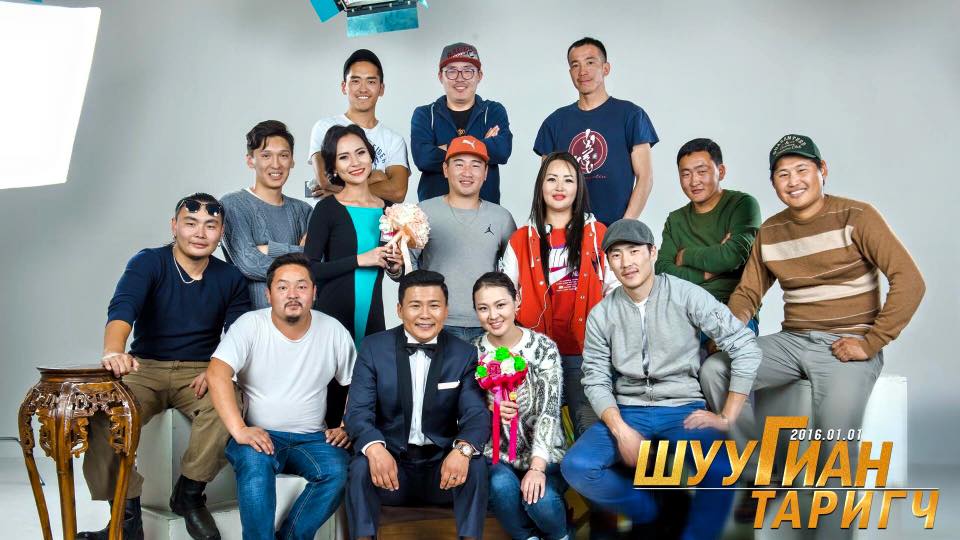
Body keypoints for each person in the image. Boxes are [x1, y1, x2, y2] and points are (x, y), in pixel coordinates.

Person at [701, 134, 926, 538]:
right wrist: (729, 331)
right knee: (716, 369)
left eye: (802, 170)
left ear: (822, 171)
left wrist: (871, 343)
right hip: (793, 341)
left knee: (835, 446)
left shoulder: (857, 216)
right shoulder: (771, 231)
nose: (793, 181)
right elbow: (748, 293)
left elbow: (909, 280)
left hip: (847, 344)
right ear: (774, 183)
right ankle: (762, 474)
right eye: (782, 174)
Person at [561, 219, 761, 540]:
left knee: (723, 470)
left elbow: (744, 345)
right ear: (608, 262)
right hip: (628, 411)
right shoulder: (602, 314)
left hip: (683, 408)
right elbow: (595, 378)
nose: (626, 262)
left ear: (652, 252)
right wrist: (621, 430)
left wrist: (727, 415)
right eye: (616, 255)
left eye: (634, 251)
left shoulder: (686, 295)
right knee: (578, 467)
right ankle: (653, 512)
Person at [80, 193, 250, 540]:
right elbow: (123, 308)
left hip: (200, 370)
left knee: (228, 402)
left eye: (210, 225)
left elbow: (238, 335)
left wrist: (218, 369)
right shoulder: (149, 262)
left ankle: (189, 494)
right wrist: (114, 351)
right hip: (145, 367)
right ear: (174, 226)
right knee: (103, 413)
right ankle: (126, 517)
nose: (199, 233)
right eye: (190, 223)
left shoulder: (231, 277)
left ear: (221, 233)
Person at [207, 254, 354, 540]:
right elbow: (217, 374)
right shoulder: (250, 325)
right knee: (254, 466)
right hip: (260, 435)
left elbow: (358, 383)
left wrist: (347, 425)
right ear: (268, 294)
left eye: (301, 286)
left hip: (312, 438)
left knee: (339, 470)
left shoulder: (333, 330)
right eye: (283, 287)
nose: (292, 294)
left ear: (314, 292)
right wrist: (239, 430)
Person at [344, 270, 491, 540]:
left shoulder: (464, 353)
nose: (425, 315)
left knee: (476, 464)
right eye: (415, 306)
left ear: (446, 311)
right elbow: (357, 412)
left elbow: (476, 413)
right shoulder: (374, 348)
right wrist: (375, 449)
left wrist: (463, 450)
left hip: (442, 471)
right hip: (391, 469)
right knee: (361, 466)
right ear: (400, 310)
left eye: (434, 305)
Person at [499, 151, 616, 437]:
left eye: (568, 180)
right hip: (535, 356)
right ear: (541, 186)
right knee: (534, 436)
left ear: (579, 187)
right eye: (552, 179)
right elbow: (504, 298)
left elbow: (615, 291)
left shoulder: (599, 233)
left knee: (590, 431)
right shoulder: (521, 239)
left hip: (586, 354)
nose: (560, 187)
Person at [303, 124, 403, 429]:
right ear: (334, 167)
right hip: (333, 316)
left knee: (370, 395)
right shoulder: (326, 209)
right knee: (333, 400)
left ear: (371, 156)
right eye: (344, 157)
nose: (355, 162)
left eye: (360, 153)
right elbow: (308, 269)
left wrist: (395, 267)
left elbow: (394, 270)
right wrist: (361, 260)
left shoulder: (390, 210)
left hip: (373, 316)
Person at [471, 272, 569, 540]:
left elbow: (549, 412)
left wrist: (537, 468)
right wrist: (488, 407)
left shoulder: (543, 348)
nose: (493, 315)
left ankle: (562, 535)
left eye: (500, 305)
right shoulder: (472, 352)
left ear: (517, 301)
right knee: (501, 486)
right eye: (483, 308)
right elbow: (464, 410)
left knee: (540, 501)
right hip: (497, 454)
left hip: (545, 454)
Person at [533, 37, 658, 225]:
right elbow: (547, 185)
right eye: (575, 65)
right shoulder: (554, 123)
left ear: (606, 68)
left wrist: (623, 228)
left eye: (590, 62)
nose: (582, 71)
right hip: (567, 232)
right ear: (570, 72)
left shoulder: (631, 115)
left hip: (615, 230)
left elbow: (645, 178)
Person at [412, 135, 516, 343]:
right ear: (445, 169)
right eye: (459, 164)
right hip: (436, 322)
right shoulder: (422, 212)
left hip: (488, 323)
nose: (467, 172)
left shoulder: (501, 217)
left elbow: (515, 272)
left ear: (485, 173)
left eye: (476, 165)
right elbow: (406, 267)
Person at [655, 138, 762, 340]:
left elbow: (732, 256)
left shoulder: (742, 205)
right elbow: (662, 272)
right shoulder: (675, 219)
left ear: (721, 171)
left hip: (730, 308)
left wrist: (685, 255)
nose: (694, 181)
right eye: (686, 174)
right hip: (683, 312)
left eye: (701, 172)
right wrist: (707, 272)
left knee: (725, 353)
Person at [221, 120, 312, 309]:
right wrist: (301, 252)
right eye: (266, 155)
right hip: (254, 319)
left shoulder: (303, 210)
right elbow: (250, 263)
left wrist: (270, 249)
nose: (276, 164)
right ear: (250, 160)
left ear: (292, 161)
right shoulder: (233, 205)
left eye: (283, 155)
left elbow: (321, 262)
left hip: (302, 319)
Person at [411, 42, 512, 203]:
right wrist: (480, 145)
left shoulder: (493, 111)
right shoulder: (425, 114)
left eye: (468, 71)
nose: (460, 78)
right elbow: (423, 158)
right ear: (440, 76)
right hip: (434, 211)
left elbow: (502, 151)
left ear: (479, 75)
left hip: (485, 210)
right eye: (451, 71)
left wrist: (444, 148)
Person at [307, 49, 409, 203]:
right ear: (344, 87)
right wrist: (377, 177)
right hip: (332, 215)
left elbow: (397, 191)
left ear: (381, 89)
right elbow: (324, 181)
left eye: (371, 81)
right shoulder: (324, 127)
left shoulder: (394, 140)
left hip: (375, 217)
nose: (363, 89)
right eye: (355, 81)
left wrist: (339, 190)